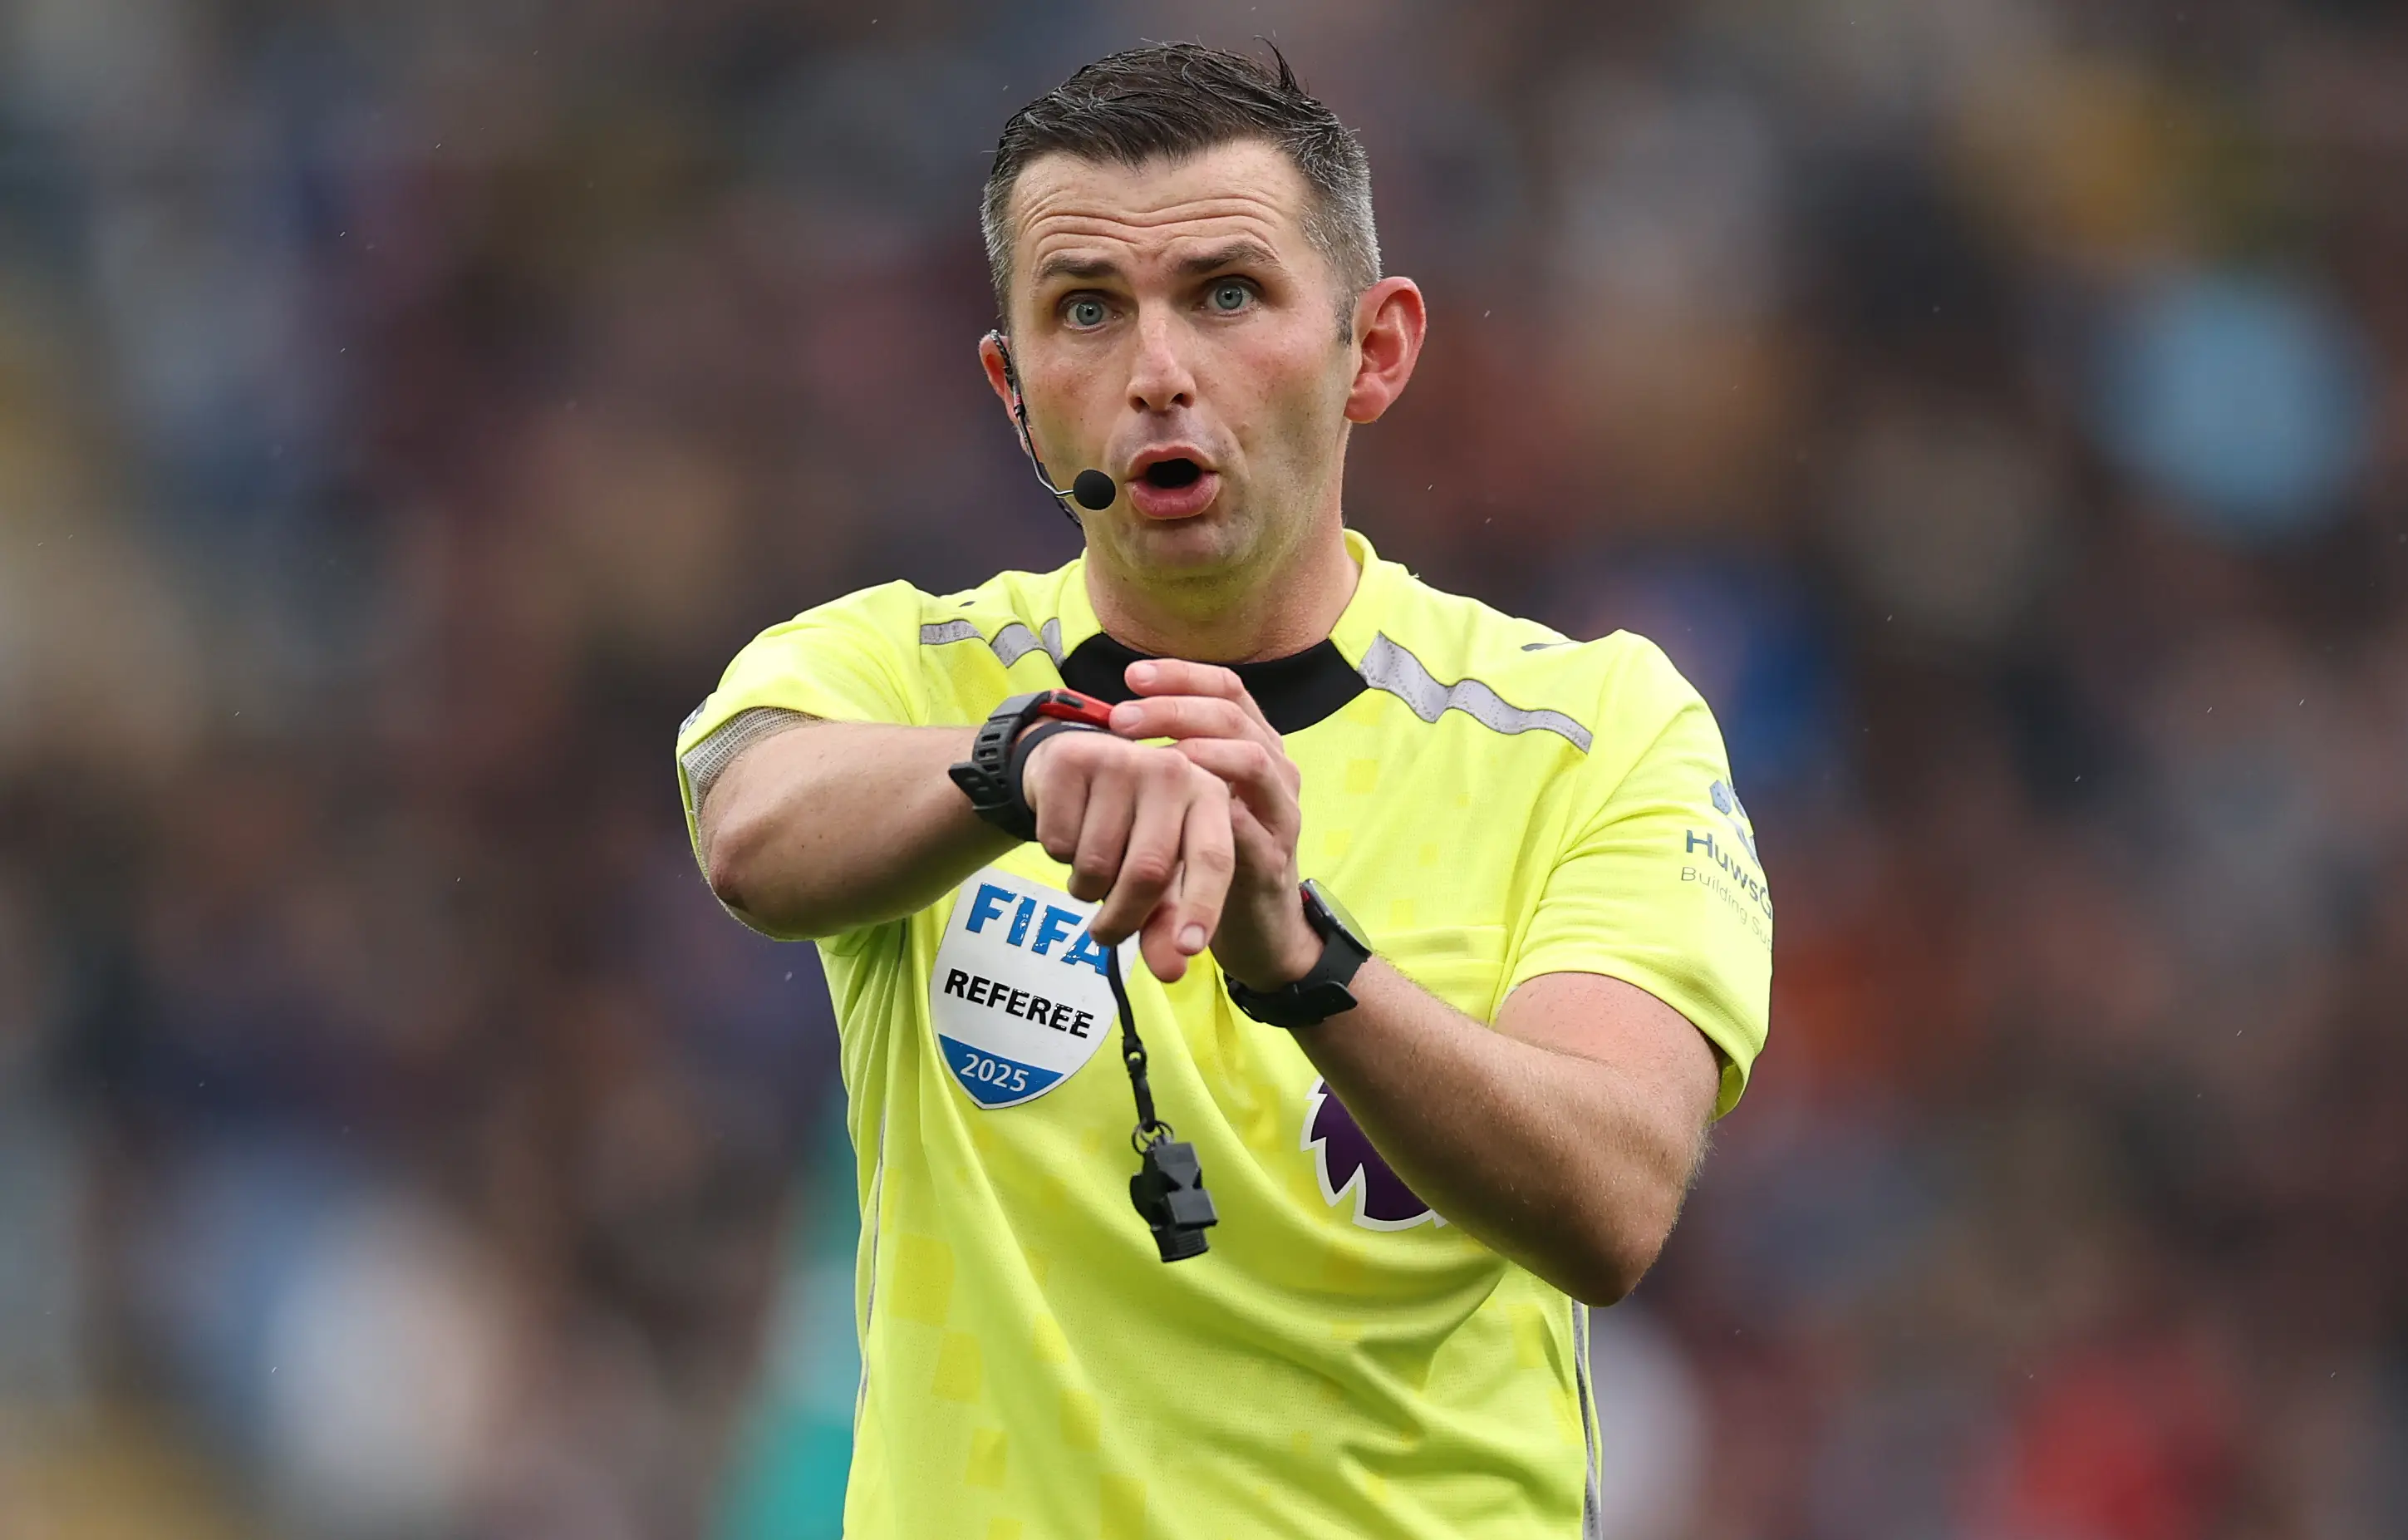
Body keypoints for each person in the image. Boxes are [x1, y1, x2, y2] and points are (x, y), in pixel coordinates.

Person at [679, 42, 1772, 1540]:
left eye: (1227, 293)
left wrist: (1299, 959)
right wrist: (1020, 762)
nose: (1156, 372)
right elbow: (748, 828)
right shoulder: (898, 670)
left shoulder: (1591, 731)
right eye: (1085, 308)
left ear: (1372, 350)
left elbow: (1610, 1200)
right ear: (1012, 393)